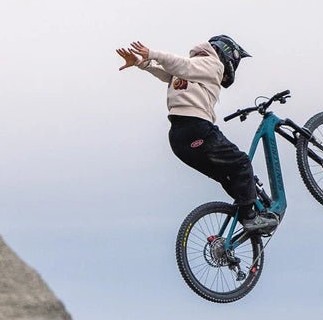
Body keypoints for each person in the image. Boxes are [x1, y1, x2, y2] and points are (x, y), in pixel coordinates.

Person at [115, 35, 275, 234]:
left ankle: (248, 208)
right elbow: (179, 64)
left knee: (226, 174)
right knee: (241, 162)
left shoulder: (192, 68)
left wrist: (142, 63)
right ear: (227, 54)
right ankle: (250, 217)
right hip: (197, 128)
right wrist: (152, 54)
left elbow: (169, 71)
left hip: (178, 139)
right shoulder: (212, 64)